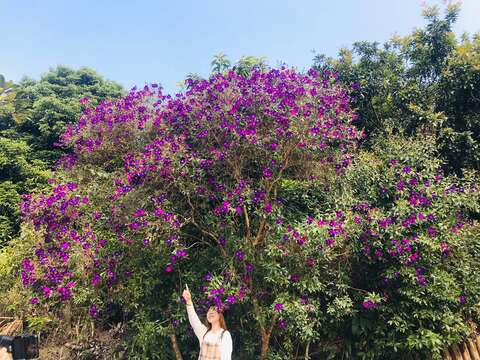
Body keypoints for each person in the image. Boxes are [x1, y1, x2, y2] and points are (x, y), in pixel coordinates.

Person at [182, 286, 232, 360]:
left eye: (214, 310)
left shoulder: (225, 335)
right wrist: (189, 301)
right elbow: (194, 321)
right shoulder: (204, 332)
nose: (210, 312)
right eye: (209, 311)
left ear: (221, 316)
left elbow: (226, 358)